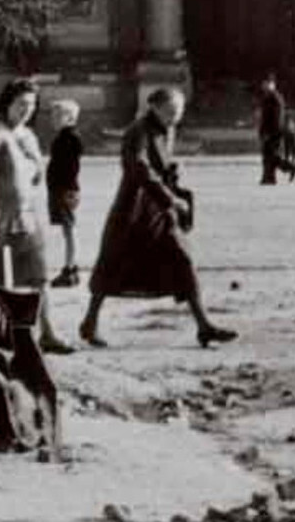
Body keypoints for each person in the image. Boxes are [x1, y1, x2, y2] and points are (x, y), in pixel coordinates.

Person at [78, 88, 237, 350]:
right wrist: (169, 198)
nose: (176, 116)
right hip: (134, 208)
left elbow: (158, 165)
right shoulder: (137, 130)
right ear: (155, 107)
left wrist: (172, 173)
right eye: (172, 111)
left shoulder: (165, 129)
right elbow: (138, 167)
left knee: (182, 257)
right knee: (112, 264)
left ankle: (204, 326)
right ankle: (90, 322)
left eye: (180, 111)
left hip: (158, 208)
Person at [0, 76, 70, 354]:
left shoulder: (28, 136)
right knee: (1, 279)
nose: (26, 110)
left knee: (39, 276)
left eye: (31, 105)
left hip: (29, 214)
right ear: (8, 103)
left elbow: (36, 176)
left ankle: (48, 332)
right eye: (21, 104)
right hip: (1, 218)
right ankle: (3, 336)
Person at [44, 98, 86, 286]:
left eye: (57, 115)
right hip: (62, 188)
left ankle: (70, 268)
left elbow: (72, 167)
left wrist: (70, 190)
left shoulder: (69, 138)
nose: (52, 119)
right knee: (68, 229)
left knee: (69, 229)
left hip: (64, 189)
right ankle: (71, 267)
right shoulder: (65, 137)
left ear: (70, 117)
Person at [256, 75, 295, 186]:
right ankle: (269, 178)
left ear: (271, 85)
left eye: (266, 84)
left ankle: (289, 168)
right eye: (263, 84)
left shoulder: (275, 98)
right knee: (268, 155)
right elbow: (264, 117)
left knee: (270, 155)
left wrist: (270, 132)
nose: (263, 86)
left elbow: (276, 118)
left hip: (273, 132)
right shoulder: (267, 97)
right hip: (269, 131)